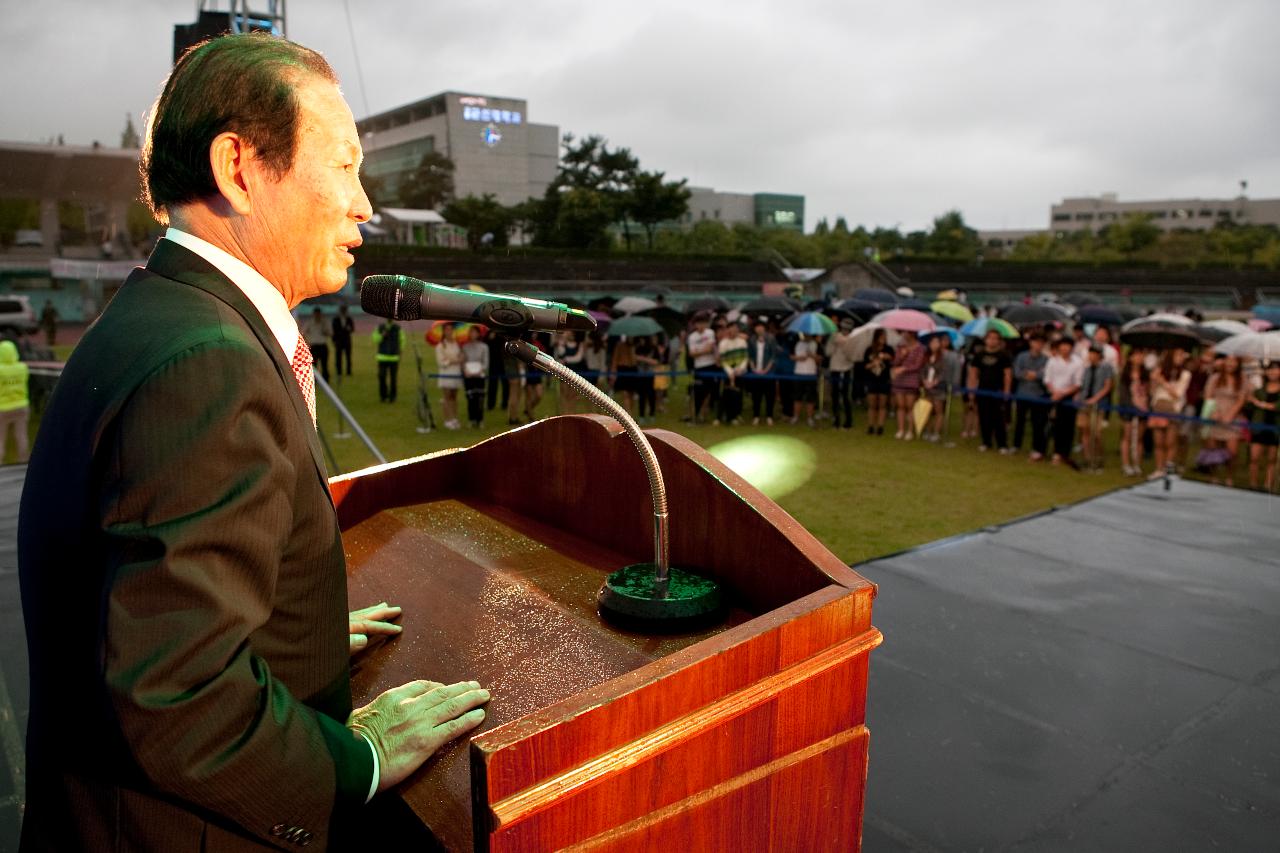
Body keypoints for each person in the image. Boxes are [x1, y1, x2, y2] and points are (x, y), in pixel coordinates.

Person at [17, 34, 487, 850]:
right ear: (239, 169)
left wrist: (282, 635)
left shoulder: (163, 315)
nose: (365, 203)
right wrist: (359, 758)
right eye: (343, 166)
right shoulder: (208, 363)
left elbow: (139, 595)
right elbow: (176, 689)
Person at [1202, 354, 1248, 486]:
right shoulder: (1215, 378)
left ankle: (1229, 477)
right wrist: (1214, 412)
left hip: (1232, 419)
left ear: (1238, 363)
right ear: (1224, 362)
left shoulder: (1242, 380)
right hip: (1215, 417)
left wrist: (1230, 415)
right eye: (1228, 360)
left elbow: (1241, 400)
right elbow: (1208, 396)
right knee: (1213, 450)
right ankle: (1213, 476)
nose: (1231, 364)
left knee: (1232, 452)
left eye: (1234, 361)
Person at [968, 329, 1013, 453]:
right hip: (982, 390)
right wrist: (971, 390)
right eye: (990, 338)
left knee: (999, 418)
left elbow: (1007, 374)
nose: (992, 340)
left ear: (999, 341)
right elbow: (973, 373)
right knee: (984, 417)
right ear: (985, 340)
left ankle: (1002, 444)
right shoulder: (979, 355)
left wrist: (1007, 391)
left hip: (998, 391)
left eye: (995, 338)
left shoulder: (1004, 355)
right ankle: (986, 442)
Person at [1149, 349, 1192, 477]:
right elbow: (1152, 391)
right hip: (1158, 406)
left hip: (1173, 408)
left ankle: (1169, 468)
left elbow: (1178, 394)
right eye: (1178, 354)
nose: (1181, 357)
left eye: (1182, 355)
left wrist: (1163, 382)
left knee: (1170, 442)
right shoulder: (1161, 371)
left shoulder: (1185, 374)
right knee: (1158, 441)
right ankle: (1158, 468)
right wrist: (1155, 379)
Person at [1045, 337, 1084, 465]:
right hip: (1053, 394)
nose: (1065, 348)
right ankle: (1055, 452)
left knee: (1068, 427)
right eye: (1062, 345)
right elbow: (1047, 379)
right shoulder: (1052, 361)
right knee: (1055, 426)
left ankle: (1065, 453)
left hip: (1069, 396)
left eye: (1067, 345)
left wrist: (1063, 394)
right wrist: (1055, 392)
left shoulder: (1078, 362)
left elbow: (1078, 383)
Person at [1076, 344, 1115, 470]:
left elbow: (1108, 386)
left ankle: (1098, 457)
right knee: (1084, 431)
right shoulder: (1087, 369)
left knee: (1096, 433)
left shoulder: (1106, 367)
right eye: (1090, 353)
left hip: (1098, 405)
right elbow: (1083, 385)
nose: (1091, 356)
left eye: (1094, 353)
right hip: (1085, 403)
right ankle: (1087, 459)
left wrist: (1095, 399)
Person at [1012, 332, 1050, 460]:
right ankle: (1016, 445)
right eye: (1036, 342)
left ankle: (1036, 447)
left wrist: (1034, 375)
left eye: (1041, 343)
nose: (1038, 345)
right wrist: (1032, 374)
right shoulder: (1022, 356)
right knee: (1020, 421)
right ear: (1030, 343)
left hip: (1038, 395)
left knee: (1037, 423)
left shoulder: (1046, 359)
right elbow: (1017, 373)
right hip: (1022, 394)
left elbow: (1045, 375)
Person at [1247, 361, 1280, 490]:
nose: (1273, 372)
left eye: (1276, 369)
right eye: (1271, 369)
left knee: (1271, 459)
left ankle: (1268, 485)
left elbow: (1277, 406)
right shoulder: (1259, 390)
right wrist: (1249, 398)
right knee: (1254, 457)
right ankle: (1252, 484)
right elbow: (1249, 407)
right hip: (1259, 426)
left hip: (1275, 428)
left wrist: (1260, 404)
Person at [1117, 348, 1150, 476]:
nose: (1139, 357)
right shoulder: (1125, 374)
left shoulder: (1146, 374)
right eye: (1136, 354)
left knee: (1139, 438)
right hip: (1128, 409)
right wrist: (1131, 407)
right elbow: (1123, 393)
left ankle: (1137, 464)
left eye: (1141, 354)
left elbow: (1148, 392)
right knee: (1127, 436)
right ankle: (1126, 464)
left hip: (1143, 408)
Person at [890, 330, 925, 439]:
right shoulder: (900, 347)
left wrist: (904, 368)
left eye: (906, 333)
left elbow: (917, 365)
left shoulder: (920, 348)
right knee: (900, 406)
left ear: (912, 334)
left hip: (912, 380)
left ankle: (910, 430)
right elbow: (895, 362)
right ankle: (900, 429)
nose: (904, 335)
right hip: (899, 380)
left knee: (910, 406)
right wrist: (901, 356)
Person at [826, 318, 859, 430]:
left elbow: (854, 356)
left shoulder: (853, 339)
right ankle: (836, 420)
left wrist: (846, 346)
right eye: (844, 328)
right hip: (835, 368)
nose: (845, 331)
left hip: (847, 369)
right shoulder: (834, 336)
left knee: (846, 396)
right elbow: (828, 352)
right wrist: (834, 344)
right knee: (834, 396)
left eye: (848, 329)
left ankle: (848, 422)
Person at [746, 319, 780, 425]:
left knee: (770, 395)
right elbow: (750, 355)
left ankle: (769, 416)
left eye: (761, 326)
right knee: (756, 395)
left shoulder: (771, 338)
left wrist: (766, 370)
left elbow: (773, 356)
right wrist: (753, 368)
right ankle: (756, 416)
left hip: (769, 373)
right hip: (755, 372)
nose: (759, 328)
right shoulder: (752, 339)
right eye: (757, 326)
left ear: (764, 328)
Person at [0, 339, 30, 462]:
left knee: (0, 438)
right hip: (21, 406)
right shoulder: (22, 368)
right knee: (21, 435)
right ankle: (23, 461)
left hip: (3, 408)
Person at [688, 313, 719, 423]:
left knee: (709, 392)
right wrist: (703, 350)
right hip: (699, 367)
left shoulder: (710, 332)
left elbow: (710, 348)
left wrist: (699, 351)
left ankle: (703, 414)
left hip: (710, 365)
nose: (701, 325)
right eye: (698, 323)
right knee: (698, 392)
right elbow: (691, 353)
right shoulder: (692, 337)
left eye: (703, 323)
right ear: (695, 324)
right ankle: (695, 414)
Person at [717, 322, 749, 425]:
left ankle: (735, 416)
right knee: (726, 395)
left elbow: (745, 357)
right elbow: (723, 360)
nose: (733, 331)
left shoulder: (742, 342)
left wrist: (740, 369)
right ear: (728, 330)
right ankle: (722, 416)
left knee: (738, 395)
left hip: (740, 372)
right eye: (731, 329)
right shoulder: (723, 343)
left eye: (735, 329)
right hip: (728, 373)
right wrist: (730, 372)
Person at [863, 328, 893, 435]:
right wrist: (873, 363)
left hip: (884, 380)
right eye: (881, 336)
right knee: (872, 405)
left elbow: (893, 360)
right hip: (871, 380)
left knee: (882, 405)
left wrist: (886, 357)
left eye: (885, 336)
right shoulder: (869, 350)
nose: (883, 338)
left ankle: (880, 426)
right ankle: (871, 426)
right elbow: (865, 366)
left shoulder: (888, 349)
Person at [920, 333, 949, 441]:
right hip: (927, 387)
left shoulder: (943, 357)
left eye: (936, 342)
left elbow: (943, 372)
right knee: (928, 410)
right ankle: (928, 430)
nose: (934, 345)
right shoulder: (926, 357)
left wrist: (935, 382)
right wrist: (924, 381)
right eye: (932, 342)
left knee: (938, 411)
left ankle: (936, 432)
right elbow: (922, 370)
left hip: (938, 388)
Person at [435, 323, 464, 430]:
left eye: (451, 330)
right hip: (446, 374)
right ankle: (448, 419)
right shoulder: (441, 345)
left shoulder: (456, 344)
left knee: (454, 397)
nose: (449, 332)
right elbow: (441, 362)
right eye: (447, 330)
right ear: (444, 332)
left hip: (456, 373)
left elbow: (459, 357)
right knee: (447, 397)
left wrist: (460, 358)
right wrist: (453, 360)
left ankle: (454, 418)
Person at [372, 316, 406, 402]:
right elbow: (375, 339)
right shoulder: (380, 328)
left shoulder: (398, 328)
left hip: (394, 357)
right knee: (381, 376)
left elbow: (402, 340)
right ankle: (383, 395)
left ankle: (392, 397)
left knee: (393, 378)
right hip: (382, 357)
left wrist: (400, 350)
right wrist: (382, 336)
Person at [461, 328, 489, 428]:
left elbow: (485, 362)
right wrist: (465, 370)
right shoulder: (465, 347)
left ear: (478, 334)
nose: (472, 334)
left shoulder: (484, 347)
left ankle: (480, 419)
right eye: (471, 332)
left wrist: (480, 371)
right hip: (469, 376)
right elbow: (463, 362)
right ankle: (471, 419)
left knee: (480, 398)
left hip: (479, 376)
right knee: (470, 398)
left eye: (474, 332)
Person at [791, 332, 820, 426]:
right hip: (799, 373)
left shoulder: (816, 344)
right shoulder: (797, 342)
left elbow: (821, 359)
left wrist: (812, 355)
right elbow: (791, 356)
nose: (807, 334)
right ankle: (795, 417)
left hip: (811, 373)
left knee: (810, 398)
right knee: (797, 396)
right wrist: (798, 358)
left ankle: (810, 418)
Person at [634, 335, 660, 424]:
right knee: (641, 396)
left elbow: (656, 361)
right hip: (640, 375)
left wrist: (643, 359)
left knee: (651, 395)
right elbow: (634, 359)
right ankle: (641, 416)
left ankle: (652, 414)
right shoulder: (638, 348)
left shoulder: (654, 348)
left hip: (650, 375)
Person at [611, 334, 638, 416]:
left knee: (631, 394)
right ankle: (628, 415)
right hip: (622, 370)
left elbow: (634, 361)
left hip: (632, 370)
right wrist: (613, 372)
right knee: (625, 394)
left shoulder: (635, 347)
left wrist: (632, 350)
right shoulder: (619, 345)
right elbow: (615, 359)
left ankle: (631, 413)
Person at [302, 306, 331, 382]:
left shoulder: (324, 322)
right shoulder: (310, 322)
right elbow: (303, 333)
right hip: (314, 346)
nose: (317, 315)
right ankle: (314, 381)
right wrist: (307, 341)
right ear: (314, 314)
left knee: (324, 365)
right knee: (314, 366)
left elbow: (330, 333)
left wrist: (325, 329)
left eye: (318, 314)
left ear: (320, 314)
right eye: (316, 314)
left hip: (322, 346)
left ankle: (325, 380)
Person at [331, 303, 354, 375]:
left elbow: (353, 329)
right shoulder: (335, 319)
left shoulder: (349, 319)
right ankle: (339, 372)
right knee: (338, 358)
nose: (343, 311)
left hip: (347, 341)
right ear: (340, 311)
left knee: (348, 357)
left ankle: (348, 372)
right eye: (342, 310)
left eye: (344, 310)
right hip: (339, 341)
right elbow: (334, 331)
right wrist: (334, 340)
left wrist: (349, 329)